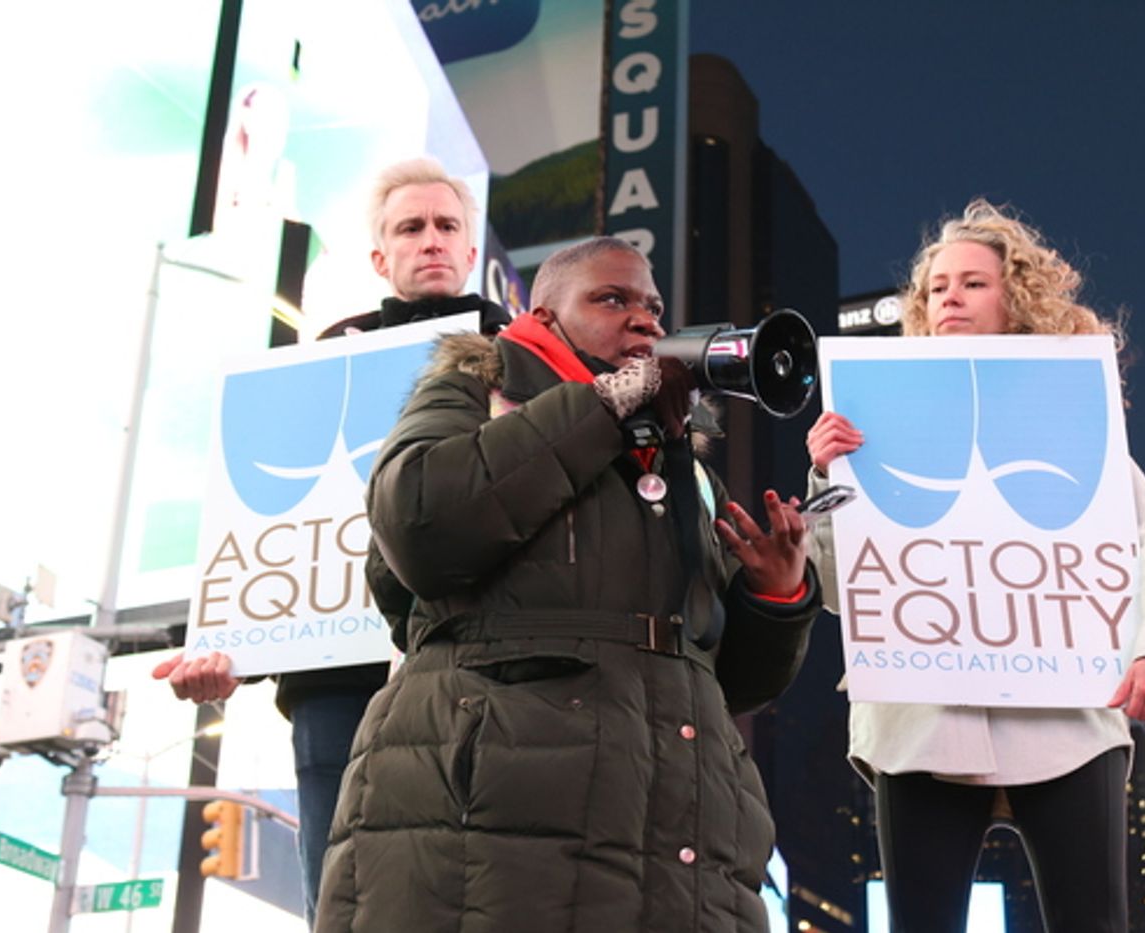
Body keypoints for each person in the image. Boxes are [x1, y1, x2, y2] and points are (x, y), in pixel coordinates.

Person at [313, 236, 822, 932]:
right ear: (546, 319)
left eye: (653, 306)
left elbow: (726, 679)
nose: (644, 319)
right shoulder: (479, 388)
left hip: (676, 854)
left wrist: (775, 595)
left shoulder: (683, 466)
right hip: (493, 834)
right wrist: (608, 402)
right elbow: (421, 523)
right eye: (612, 299)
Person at [806, 199, 1145, 932]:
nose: (950, 296)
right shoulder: (872, 429)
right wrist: (824, 477)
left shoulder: (1069, 417)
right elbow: (839, 593)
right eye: (937, 287)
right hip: (921, 725)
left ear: (1016, 298)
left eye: (973, 282)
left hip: (1067, 720)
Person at [153, 156, 508, 928]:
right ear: (380, 257)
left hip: (483, 660)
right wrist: (225, 647)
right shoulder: (326, 354)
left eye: (447, 225)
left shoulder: (519, 351)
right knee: (344, 899)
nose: (431, 240)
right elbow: (279, 523)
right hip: (337, 679)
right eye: (410, 227)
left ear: (471, 248)